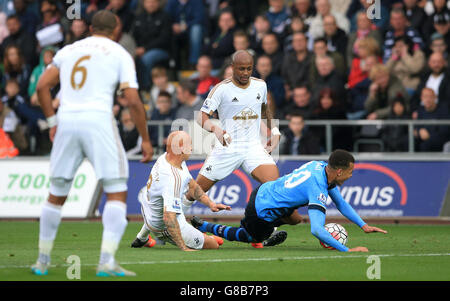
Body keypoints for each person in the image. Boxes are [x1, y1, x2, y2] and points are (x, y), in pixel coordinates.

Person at [31, 10, 153, 277]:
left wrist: (52, 123)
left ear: (89, 28)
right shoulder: (119, 53)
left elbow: (41, 86)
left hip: (66, 121)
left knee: (56, 192)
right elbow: (132, 100)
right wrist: (145, 138)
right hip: (98, 121)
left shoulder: (68, 50)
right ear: (116, 29)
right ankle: (106, 261)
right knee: (117, 190)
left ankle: (42, 260)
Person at [191, 149, 387, 251]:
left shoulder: (320, 167)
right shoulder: (317, 187)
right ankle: (205, 227)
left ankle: (268, 233)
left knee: (296, 219)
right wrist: (347, 250)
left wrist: (363, 225)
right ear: (339, 171)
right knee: (251, 237)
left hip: (267, 191)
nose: (351, 176)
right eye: (350, 172)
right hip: (260, 209)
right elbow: (317, 229)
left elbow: (341, 203)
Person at [185, 50, 281, 238]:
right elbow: (201, 117)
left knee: (274, 187)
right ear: (232, 68)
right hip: (227, 148)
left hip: (253, 147)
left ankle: (266, 232)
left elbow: (264, 109)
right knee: (195, 191)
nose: (245, 73)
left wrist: (275, 131)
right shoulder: (221, 89)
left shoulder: (260, 85)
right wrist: (216, 130)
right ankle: (169, 224)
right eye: (241, 69)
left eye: (249, 69)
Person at [131, 131, 230, 250]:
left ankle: (142, 238)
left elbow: (192, 186)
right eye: (190, 144)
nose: (192, 148)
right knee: (214, 245)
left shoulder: (167, 158)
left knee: (172, 202)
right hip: (162, 227)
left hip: (147, 209)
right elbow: (168, 218)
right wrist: (183, 247)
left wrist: (211, 204)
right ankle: (207, 238)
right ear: (181, 149)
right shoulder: (172, 178)